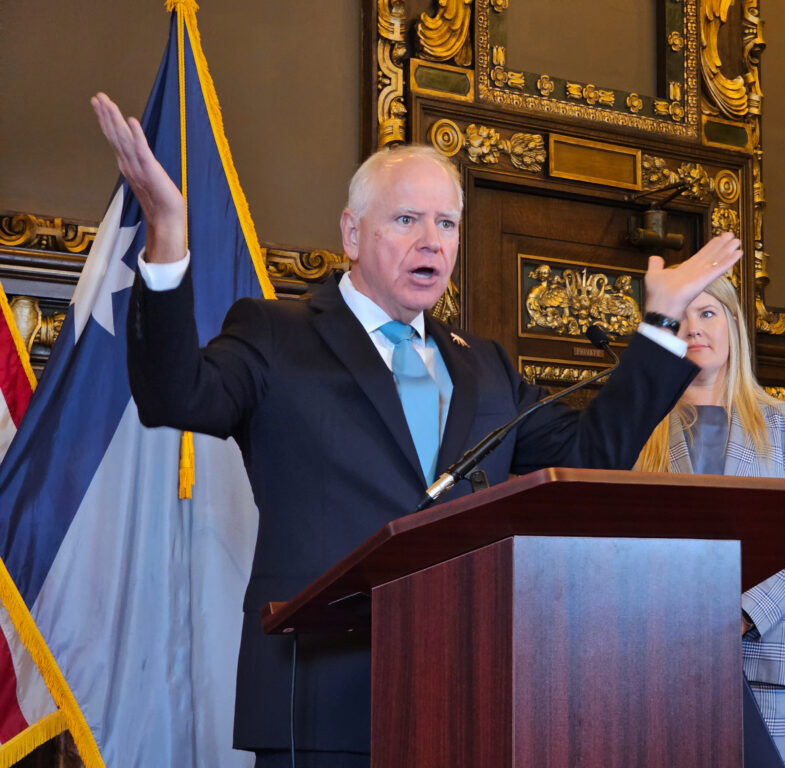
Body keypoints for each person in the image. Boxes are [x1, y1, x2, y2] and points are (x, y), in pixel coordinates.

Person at [90, 92, 743, 766]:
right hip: (319, 697)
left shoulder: (484, 365)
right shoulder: (275, 334)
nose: (433, 242)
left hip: (468, 694)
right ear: (351, 233)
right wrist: (168, 234)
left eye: (448, 224)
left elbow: (590, 454)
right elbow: (173, 397)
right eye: (407, 220)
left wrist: (659, 323)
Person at [634, 275, 785, 768]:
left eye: (708, 313)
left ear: (734, 324)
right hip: (661, 660)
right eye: (681, 317)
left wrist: (744, 614)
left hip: (767, 662)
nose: (695, 329)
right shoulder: (636, 429)